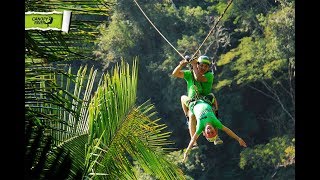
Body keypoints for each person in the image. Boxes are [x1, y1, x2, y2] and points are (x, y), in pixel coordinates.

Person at [172, 55, 223, 145]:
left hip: (205, 100)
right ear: (198, 65)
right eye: (201, 65)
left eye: (206, 66)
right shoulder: (189, 74)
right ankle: (193, 140)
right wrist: (181, 65)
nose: (203, 68)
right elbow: (175, 74)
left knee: (213, 108)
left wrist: (194, 64)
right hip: (193, 102)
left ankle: (216, 136)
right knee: (190, 114)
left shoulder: (209, 75)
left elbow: (198, 78)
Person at [183, 99, 247, 162]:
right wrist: (238, 139)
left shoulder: (200, 127)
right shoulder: (216, 123)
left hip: (193, 104)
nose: (209, 130)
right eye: (212, 132)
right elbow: (227, 131)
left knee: (182, 98)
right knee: (212, 96)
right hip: (205, 100)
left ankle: (187, 116)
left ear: (204, 133)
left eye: (208, 133)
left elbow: (193, 139)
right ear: (215, 129)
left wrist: (187, 152)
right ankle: (216, 137)